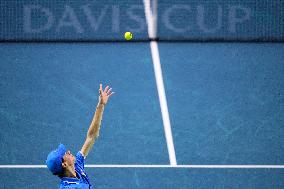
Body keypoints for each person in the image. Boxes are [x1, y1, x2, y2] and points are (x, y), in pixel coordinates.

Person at [46, 84, 114, 189]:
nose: (68, 151)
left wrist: (101, 105)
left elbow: (91, 136)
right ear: (64, 164)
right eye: (65, 154)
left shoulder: (76, 165)